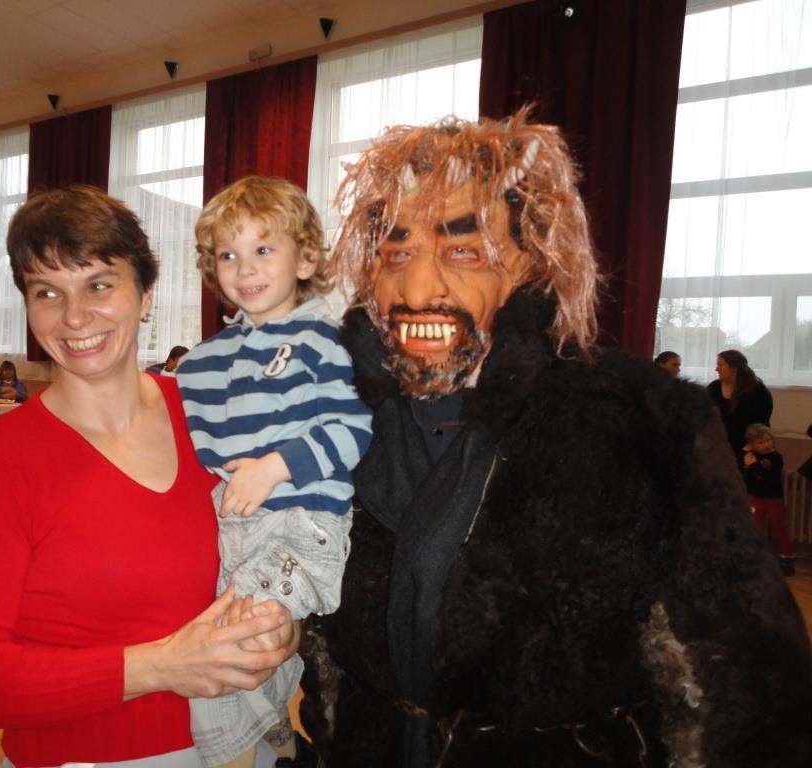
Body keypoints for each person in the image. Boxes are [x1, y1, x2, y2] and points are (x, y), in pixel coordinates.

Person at [297, 112, 812, 767]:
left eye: (463, 252)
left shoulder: (642, 418)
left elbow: (746, 684)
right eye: (398, 254)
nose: (419, 288)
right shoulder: (331, 414)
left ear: (531, 264)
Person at [0, 185, 297, 768]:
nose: (74, 317)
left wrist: (282, 630)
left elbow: (290, 551)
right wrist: (156, 667)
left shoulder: (217, 417)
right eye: (47, 292)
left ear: (146, 295)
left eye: (98, 285)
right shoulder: (0, 460)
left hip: (244, 746)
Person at [177, 176, 372, 768]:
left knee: (222, 650)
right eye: (227, 255)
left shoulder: (325, 338)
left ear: (305, 258)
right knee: (250, 641)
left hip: (301, 527)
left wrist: (276, 467)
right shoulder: (204, 360)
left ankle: (238, 754)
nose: (245, 269)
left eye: (263, 249)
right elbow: (179, 436)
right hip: (232, 527)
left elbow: (354, 427)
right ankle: (278, 739)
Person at [742, 423, 796, 576]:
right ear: (752, 444)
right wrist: (746, 460)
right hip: (756, 498)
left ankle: (787, 558)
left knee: (779, 529)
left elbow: (771, 478)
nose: (766, 444)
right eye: (760, 442)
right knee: (756, 528)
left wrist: (754, 465)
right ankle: (757, 558)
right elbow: (747, 479)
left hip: (774, 500)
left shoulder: (776, 457)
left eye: (768, 440)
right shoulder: (751, 457)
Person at [707, 349, 773, 464]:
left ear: (734, 368)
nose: (716, 369)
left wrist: (749, 449)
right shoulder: (714, 388)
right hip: (718, 447)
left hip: (747, 449)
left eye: (720, 365)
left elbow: (761, 424)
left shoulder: (758, 391)